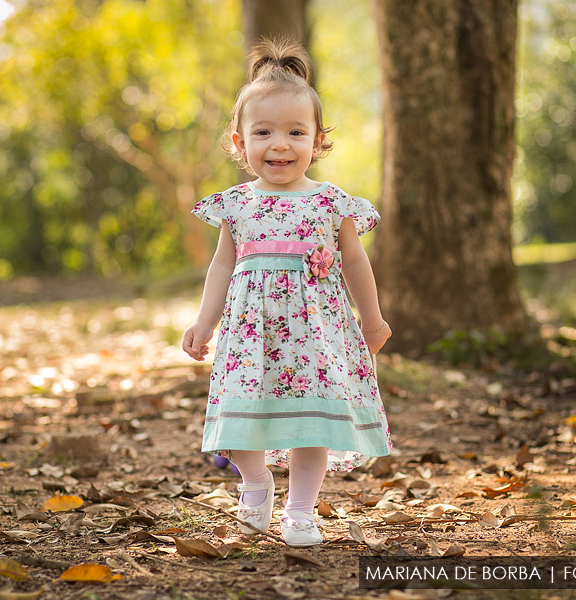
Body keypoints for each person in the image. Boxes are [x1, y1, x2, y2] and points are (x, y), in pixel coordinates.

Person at [182, 38, 392, 547]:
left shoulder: (331, 202)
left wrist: (373, 316)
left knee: (311, 422)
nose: (280, 144)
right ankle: (255, 485)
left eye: (296, 132)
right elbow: (221, 265)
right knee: (240, 414)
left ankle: (301, 510)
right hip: (250, 332)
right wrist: (203, 323)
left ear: (318, 140)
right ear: (238, 143)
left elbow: (355, 261)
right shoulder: (234, 205)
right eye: (264, 132)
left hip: (313, 334)